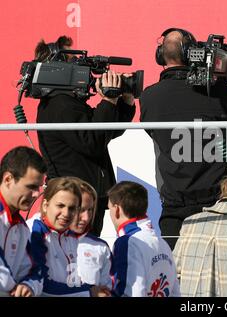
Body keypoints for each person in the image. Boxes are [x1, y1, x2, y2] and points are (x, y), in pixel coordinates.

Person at [140, 28, 227, 249]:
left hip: (174, 207)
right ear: (191, 53)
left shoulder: (148, 96)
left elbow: (154, 133)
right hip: (219, 205)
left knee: (177, 278)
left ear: (160, 55)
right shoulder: (218, 91)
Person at [34, 35, 136, 237]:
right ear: (58, 68)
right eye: (73, 61)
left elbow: (108, 131)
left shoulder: (67, 103)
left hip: (85, 196)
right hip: (72, 201)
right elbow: (93, 142)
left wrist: (124, 100)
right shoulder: (60, 105)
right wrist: (107, 99)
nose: (80, 67)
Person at [27, 177, 108, 296]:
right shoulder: (34, 231)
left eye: (72, 208)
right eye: (60, 206)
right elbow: (41, 286)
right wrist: (89, 292)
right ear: (45, 205)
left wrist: (93, 289)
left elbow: (71, 284)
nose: (66, 213)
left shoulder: (68, 235)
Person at [108, 181, 180, 297]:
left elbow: (131, 293)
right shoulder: (162, 243)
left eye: (109, 208)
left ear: (116, 210)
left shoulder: (127, 242)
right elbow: (175, 292)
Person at [0, 146, 46, 297]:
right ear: (8, 179)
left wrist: (29, 286)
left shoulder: (22, 228)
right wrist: (13, 289)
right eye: (31, 187)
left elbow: (34, 271)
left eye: (39, 187)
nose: (36, 194)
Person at [68, 178, 112, 292]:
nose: (86, 217)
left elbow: (108, 289)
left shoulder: (101, 247)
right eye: (81, 210)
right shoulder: (48, 239)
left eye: (90, 210)